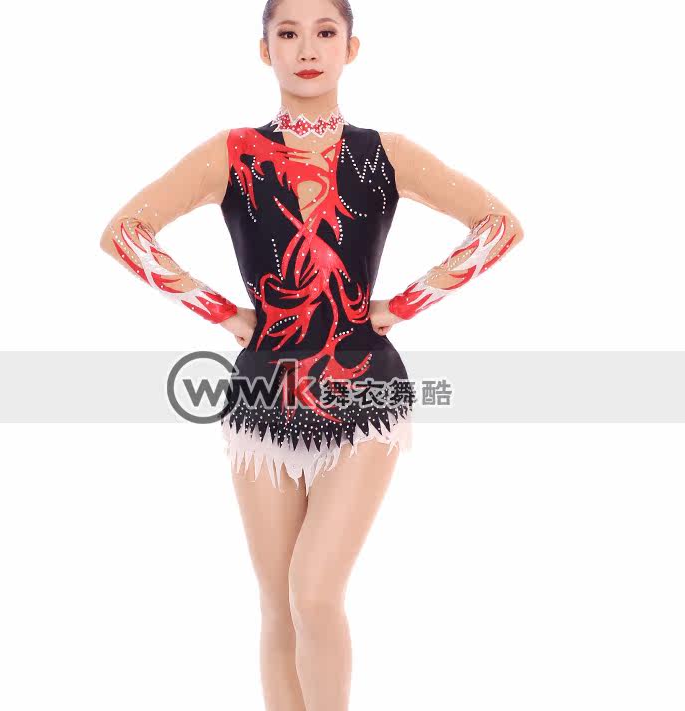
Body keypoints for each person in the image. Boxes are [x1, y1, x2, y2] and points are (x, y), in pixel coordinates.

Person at [99, 0, 525, 708]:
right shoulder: (231, 152)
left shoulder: (384, 153)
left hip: (364, 392)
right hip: (261, 396)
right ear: (263, 49)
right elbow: (125, 232)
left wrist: (401, 306)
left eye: (326, 32)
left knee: (314, 591)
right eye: (288, 33)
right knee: (277, 605)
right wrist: (226, 315)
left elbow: (498, 225)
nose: (307, 49)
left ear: (351, 49)